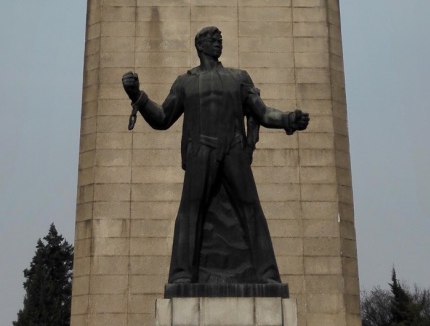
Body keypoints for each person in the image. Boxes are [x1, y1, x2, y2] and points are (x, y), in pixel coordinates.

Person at [122, 26, 309, 285]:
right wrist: (137, 96)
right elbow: (162, 118)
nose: (218, 43)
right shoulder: (185, 82)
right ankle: (181, 274)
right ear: (200, 46)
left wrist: (288, 118)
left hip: (233, 148)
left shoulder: (239, 77)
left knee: (251, 208)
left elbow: (263, 113)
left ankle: (266, 274)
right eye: (212, 39)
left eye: (219, 39)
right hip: (201, 150)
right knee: (190, 211)